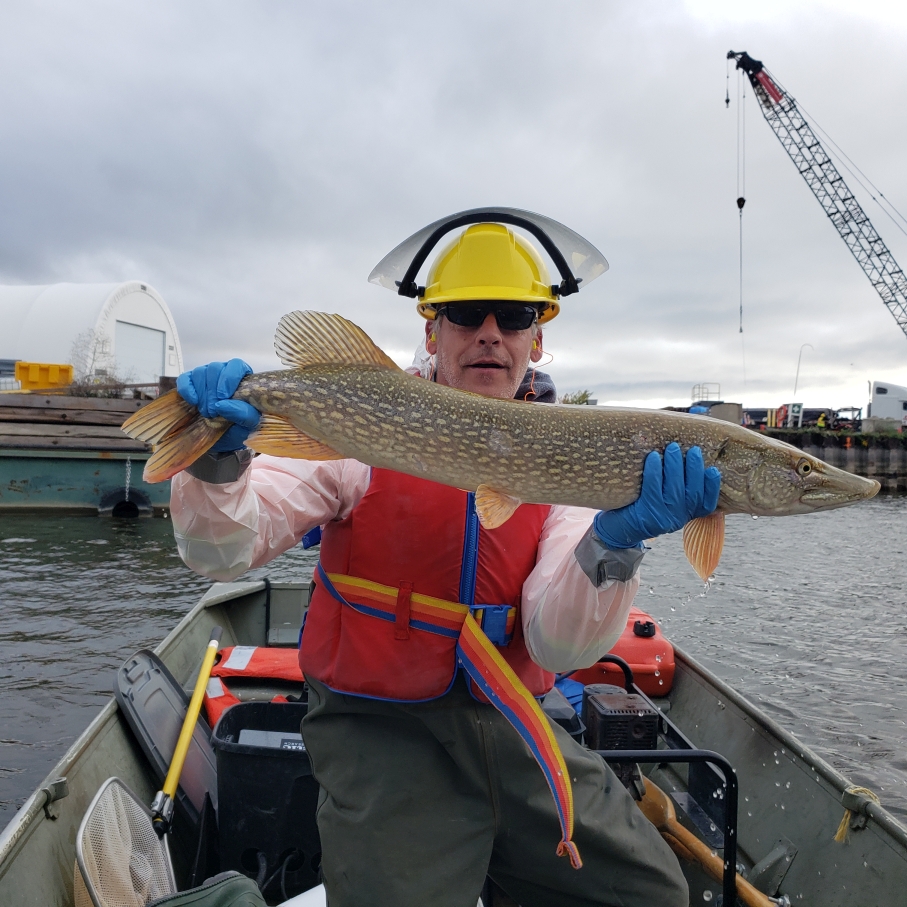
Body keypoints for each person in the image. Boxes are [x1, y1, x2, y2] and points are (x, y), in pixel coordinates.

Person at [171, 210, 721, 907]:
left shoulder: (570, 456)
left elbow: (556, 640)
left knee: (653, 897)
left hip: (517, 716)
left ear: (537, 336)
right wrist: (218, 467)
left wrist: (615, 544)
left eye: (514, 314)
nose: (490, 332)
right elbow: (226, 549)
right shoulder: (362, 419)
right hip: (380, 727)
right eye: (464, 313)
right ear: (431, 328)